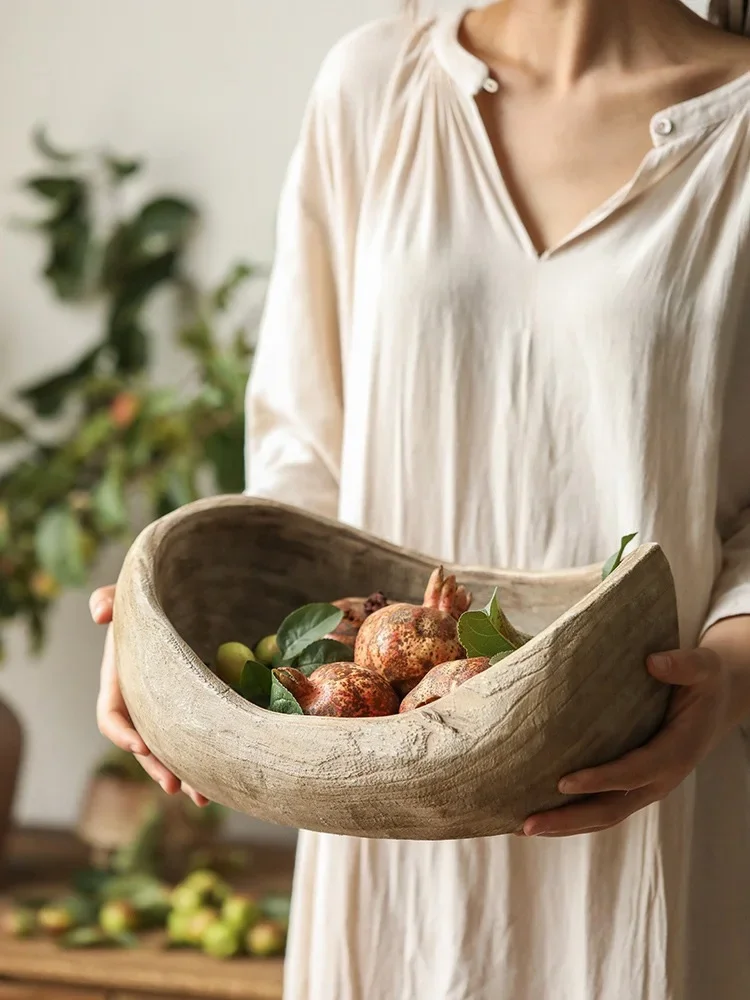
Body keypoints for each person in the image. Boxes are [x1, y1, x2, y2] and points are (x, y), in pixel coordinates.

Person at [90, 1, 750, 997]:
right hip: (377, 822)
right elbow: (300, 452)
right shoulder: (376, 88)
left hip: (639, 807)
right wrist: (174, 635)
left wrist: (725, 676)